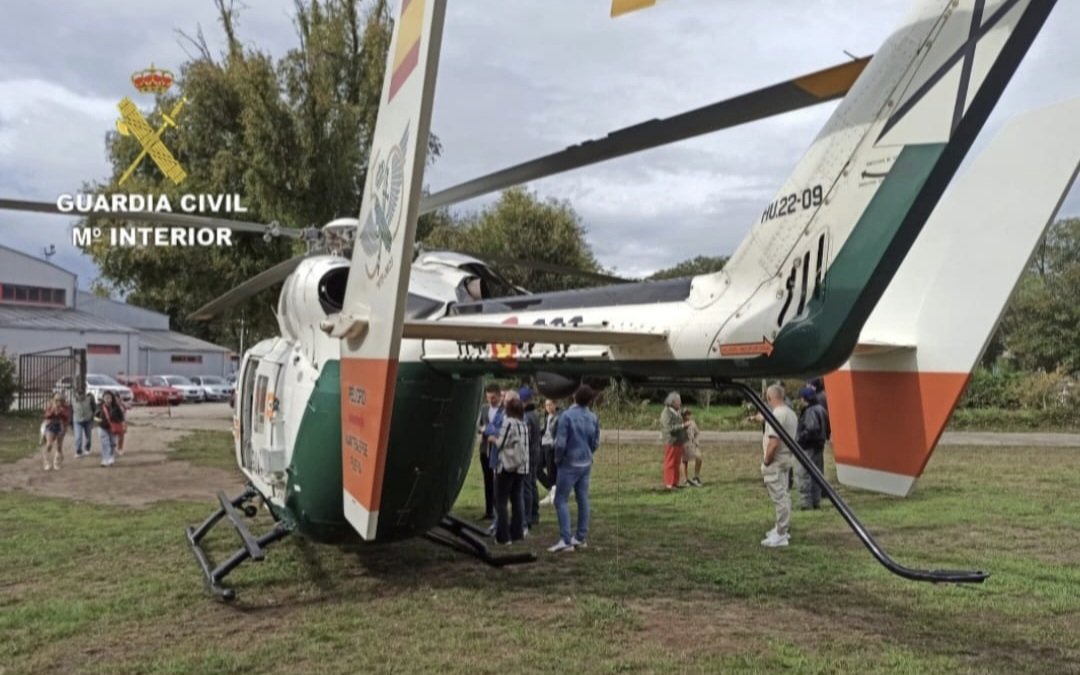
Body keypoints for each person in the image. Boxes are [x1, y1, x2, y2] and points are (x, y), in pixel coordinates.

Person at [549, 385, 600, 553]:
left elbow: (560, 443)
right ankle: (580, 537)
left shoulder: (567, 416)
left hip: (569, 462)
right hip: (585, 462)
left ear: (574, 397)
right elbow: (595, 442)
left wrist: (558, 459)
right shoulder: (593, 417)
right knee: (583, 499)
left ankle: (565, 539)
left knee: (560, 499)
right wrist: (588, 453)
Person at [761, 384, 798, 547]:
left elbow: (774, 442)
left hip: (775, 461)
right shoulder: (791, 413)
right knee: (784, 494)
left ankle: (781, 533)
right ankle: (780, 528)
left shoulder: (776, 414)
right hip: (786, 459)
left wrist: (766, 461)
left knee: (779, 497)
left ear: (770, 398)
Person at [492, 397, 530, 544]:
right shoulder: (523, 424)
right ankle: (517, 532)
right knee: (516, 500)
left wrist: (493, 439)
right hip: (521, 468)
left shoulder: (509, 422)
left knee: (500, 500)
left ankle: (503, 536)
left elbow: (501, 443)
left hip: (507, 467)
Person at [795, 386, 830, 510]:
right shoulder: (821, 409)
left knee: (804, 474)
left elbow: (811, 428)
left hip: (808, 446)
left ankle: (806, 502)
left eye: (801, 398)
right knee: (817, 473)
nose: (800, 401)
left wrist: (800, 439)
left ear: (805, 399)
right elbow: (828, 427)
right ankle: (816, 500)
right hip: (819, 445)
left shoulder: (810, 411)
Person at [477, 383, 504, 521]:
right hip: (485, 449)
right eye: (488, 398)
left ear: (499, 396)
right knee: (487, 480)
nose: (490, 400)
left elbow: (499, 430)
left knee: (497, 482)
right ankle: (489, 511)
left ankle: (497, 510)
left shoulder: (503, 411)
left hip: (498, 451)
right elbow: (479, 426)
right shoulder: (484, 409)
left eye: (493, 398)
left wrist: (486, 429)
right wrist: (482, 429)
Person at [519, 387, 543, 528]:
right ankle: (535, 513)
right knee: (533, 484)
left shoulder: (527, 416)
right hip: (536, 452)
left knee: (526, 486)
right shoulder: (535, 414)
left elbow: (525, 437)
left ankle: (527, 516)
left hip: (528, 454)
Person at [659, 392, 688, 490]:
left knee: (676, 463)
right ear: (672, 402)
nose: (680, 402)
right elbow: (668, 428)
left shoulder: (677, 411)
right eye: (678, 401)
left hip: (678, 441)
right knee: (670, 462)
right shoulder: (666, 413)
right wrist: (682, 426)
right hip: (671, 441)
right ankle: (669, 483)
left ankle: (675, 482)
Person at [538, 398, 560, 506]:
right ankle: (552, 488)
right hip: (543, 445)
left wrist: (554, 444)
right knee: (537, 468)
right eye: (547, 405)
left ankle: (554, 492)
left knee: (551, 470)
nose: (549, 407)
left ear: (555, 405)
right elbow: (543, 430)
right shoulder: (546, 417)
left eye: (551, 404)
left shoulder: (559, 417)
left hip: (551, 446)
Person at [95, 391, 125, 468]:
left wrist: (122, 425)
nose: (108, 399)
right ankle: (105, 459)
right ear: (103, 398)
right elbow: (95, 416)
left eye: (109, 398)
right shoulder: (100, 406)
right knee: (105, 443)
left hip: (113, 428)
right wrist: (98, 420)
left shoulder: (116, 407)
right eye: (106, 398)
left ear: (112, 398)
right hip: (102, 427)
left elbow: (121, 417)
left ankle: (111, 457)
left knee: (112, 443)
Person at [41, 393, 71, 471]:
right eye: (56, 400)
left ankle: (56, 462)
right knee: (49, 445)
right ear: (54, 400)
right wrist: (52, 411)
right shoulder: (50, 406)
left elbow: (67, 417)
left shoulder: (66, 407)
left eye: (60, 400)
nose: (58, 402)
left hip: (61, 427)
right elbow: (46, 416)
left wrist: (61, 412)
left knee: (59, 446)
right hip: (50, 426)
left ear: (63, 401)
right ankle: (46, 462)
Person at [71, 388, 96, 458]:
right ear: (76, 395)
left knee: (88, 436)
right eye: (79, 395)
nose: (81, 396)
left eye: (82, 394)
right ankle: (78, 451)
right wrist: (70, 422)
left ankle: (87, 448)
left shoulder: (89, 399)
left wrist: (93, 416)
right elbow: (71, 410)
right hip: (77, 420)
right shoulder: (73, 400)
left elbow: (94, 408)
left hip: (88, 420)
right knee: (78, 437)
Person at [681, 408, 703, 487]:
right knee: (684, 461)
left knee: (699, 457)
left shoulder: (693, 423)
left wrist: (696, 442)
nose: (687, 416)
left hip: (693, 444)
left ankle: (696, 477)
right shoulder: (680, 424)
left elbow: (697, 433)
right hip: (684, 445)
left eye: (688, 414)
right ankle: (685, 480)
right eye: (685, 414)